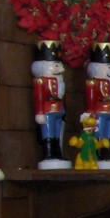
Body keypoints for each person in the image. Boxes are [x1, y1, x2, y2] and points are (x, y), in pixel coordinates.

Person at [31, 39, 71, 169]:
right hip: (47, 110)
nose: (61, 68)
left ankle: (57, 152)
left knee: (57, 133)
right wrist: (39, 112)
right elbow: (39, 97)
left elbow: (63, 96)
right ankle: (48, 153)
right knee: (48, 132)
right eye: (56, 65)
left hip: (59, 110)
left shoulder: (60, 81)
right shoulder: (40, 81)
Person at [84, 42, 110, 169]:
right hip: (99, 110)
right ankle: (98, 153)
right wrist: (91, 112)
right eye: (109, 67)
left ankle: (107, 152)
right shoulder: (93, 82)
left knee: (109, 133)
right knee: (98, 132)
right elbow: (91, 99)